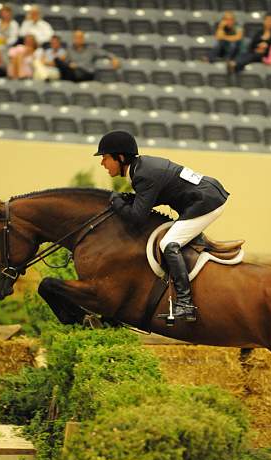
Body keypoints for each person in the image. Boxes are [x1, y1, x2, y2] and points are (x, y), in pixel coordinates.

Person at [95, 130, 229, 322]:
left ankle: (185, 303)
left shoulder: (143, 174)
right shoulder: (141, 169)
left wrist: (116, 202)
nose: (102, 163)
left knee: (168, 243)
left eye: (106, 158)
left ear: (121, 157)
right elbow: (148, 202)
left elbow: (137, 217)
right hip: (203, 196)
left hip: (207, 201)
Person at [54, 29, 119, 83]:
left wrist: (113, 58)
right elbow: (66, 62)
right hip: (73, 73)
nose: (78, 39)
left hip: (86, 73)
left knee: (75, 71)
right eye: (76, 37)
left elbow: (105, 53)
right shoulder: (69, 50)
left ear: (83, 38)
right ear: (73, 39)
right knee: (60, 63)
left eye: (80, 37)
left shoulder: (91, 48)